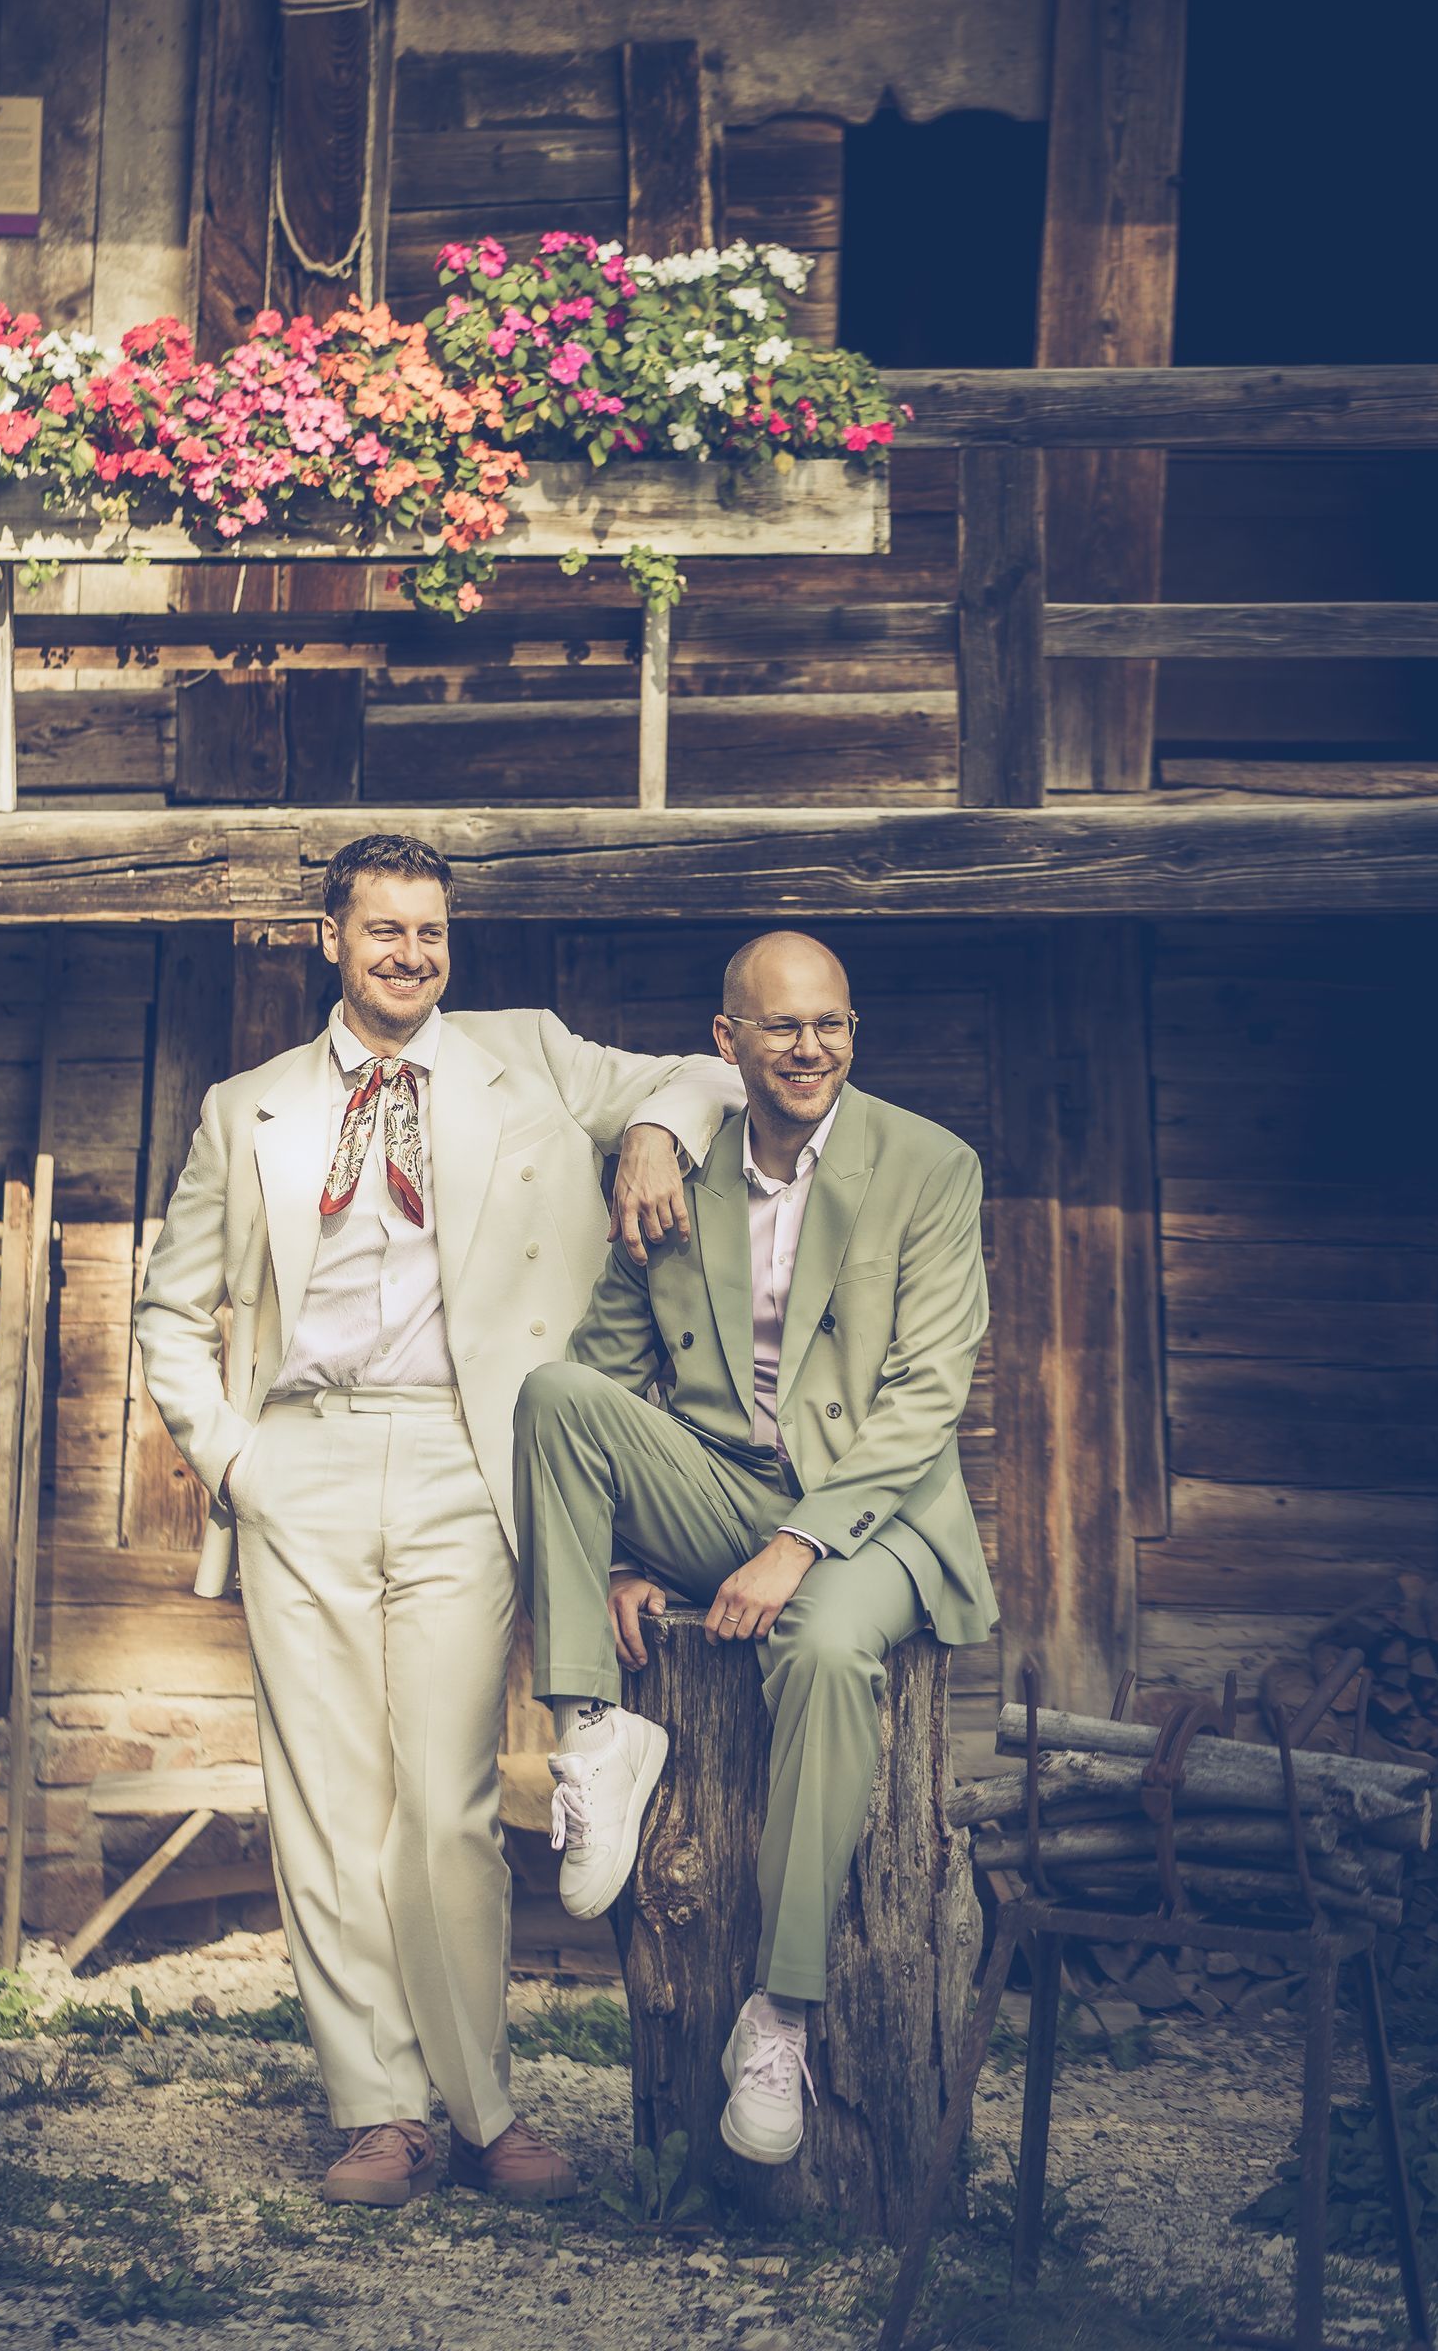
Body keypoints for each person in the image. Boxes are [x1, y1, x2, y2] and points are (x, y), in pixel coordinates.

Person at [133, 832, 741, 2207]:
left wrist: (648, 1131)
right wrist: (234, 1464)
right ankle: (379, 2111)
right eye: (383, 930)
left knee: (452, 1803)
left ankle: (483, 2108)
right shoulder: (254, 1109)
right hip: (304, 1459)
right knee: (330, 1803)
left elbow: (704, 1070)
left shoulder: (518, 1054)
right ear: (329, 941)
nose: (410, 954)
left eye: (431, 933)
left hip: (471, 1460)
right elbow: (172, 1310)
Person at [514, 928, 997, 2165]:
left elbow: (927, 1398)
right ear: (726, 1044)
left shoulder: (930, 1166)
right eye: (782, 1026)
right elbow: (608, 1380)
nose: (811, 1047)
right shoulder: (678, 1180)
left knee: (831, 1651)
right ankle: (590, 1736)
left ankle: (780, 2012)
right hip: (721, 1487)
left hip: (873, 1515)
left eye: (831, 1022)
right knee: (552, 1399)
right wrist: (622, 1552)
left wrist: (798, 1541)